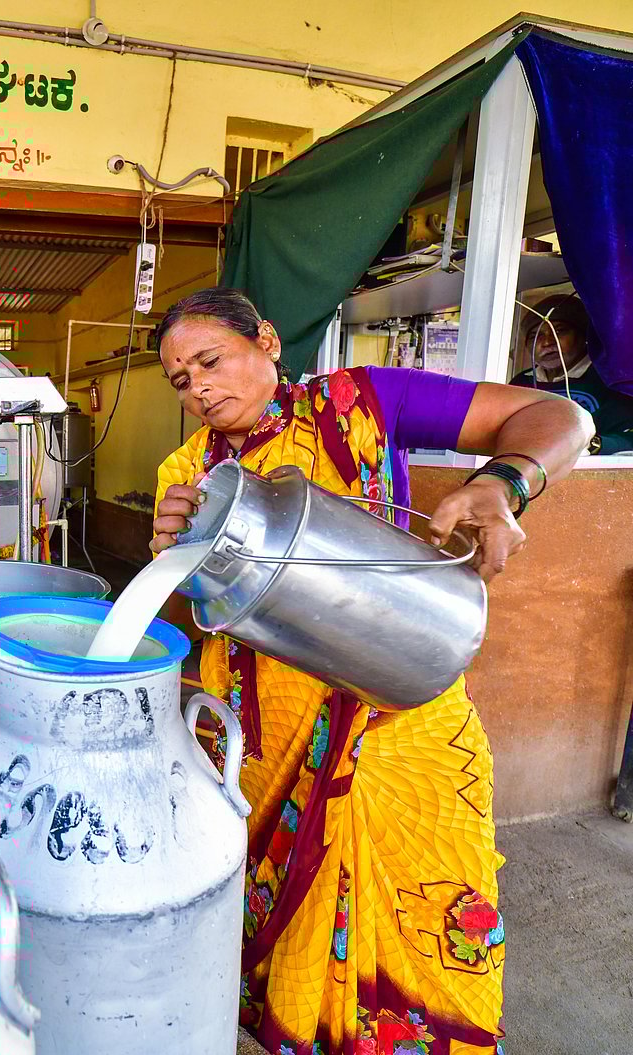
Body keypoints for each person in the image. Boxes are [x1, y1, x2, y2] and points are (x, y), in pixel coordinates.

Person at [150, 288, 592, 1055]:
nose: (200, 389)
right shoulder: (186, 472)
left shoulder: (357, 403)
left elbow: (561, 419)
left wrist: (504, 481)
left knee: (424, 929)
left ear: (267, 339)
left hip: (396, 714)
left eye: (211, 361)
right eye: (181, 381)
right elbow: (207, 615)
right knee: (289, 946)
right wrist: (176, 554)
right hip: (266, 758)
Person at [509, 293, 633, 454]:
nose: (546, 342)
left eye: (559, 331)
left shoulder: (610, 380)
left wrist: (589, 444)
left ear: (584, 337)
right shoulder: (520, 383)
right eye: (535, 335)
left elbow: (628, 438)